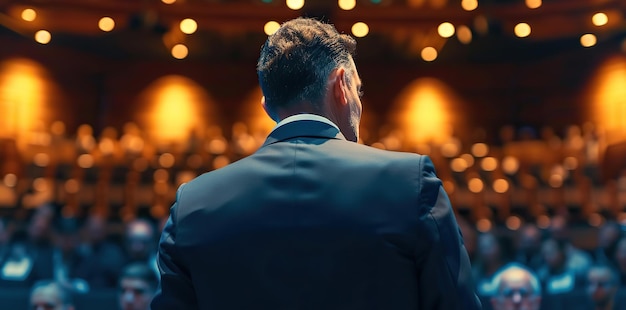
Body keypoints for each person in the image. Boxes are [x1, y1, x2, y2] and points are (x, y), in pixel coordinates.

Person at [151, 17, 480, 310]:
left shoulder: (193, 202)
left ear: (267, 105)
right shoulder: (409, 182)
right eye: (359, 91)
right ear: (342, 85)